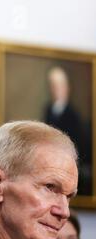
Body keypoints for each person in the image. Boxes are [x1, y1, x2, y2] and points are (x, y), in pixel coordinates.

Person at [43, 66, 92, 194]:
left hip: (65, 165)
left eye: (59, 85)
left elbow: (78, 147)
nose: (56, 89)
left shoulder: (73, 115)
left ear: (66, 88)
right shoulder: (48, 110)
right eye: (53, 86)